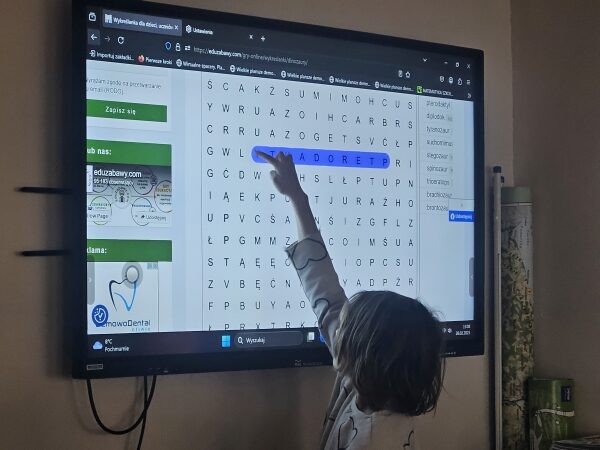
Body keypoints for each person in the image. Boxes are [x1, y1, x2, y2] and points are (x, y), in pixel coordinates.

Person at [257, 150, 445, 450]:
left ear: (364, 356)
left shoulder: (374, 439)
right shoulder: (366, 386)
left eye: (343, 330)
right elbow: (327, 295)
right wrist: (298, 198)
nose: (336, 332)